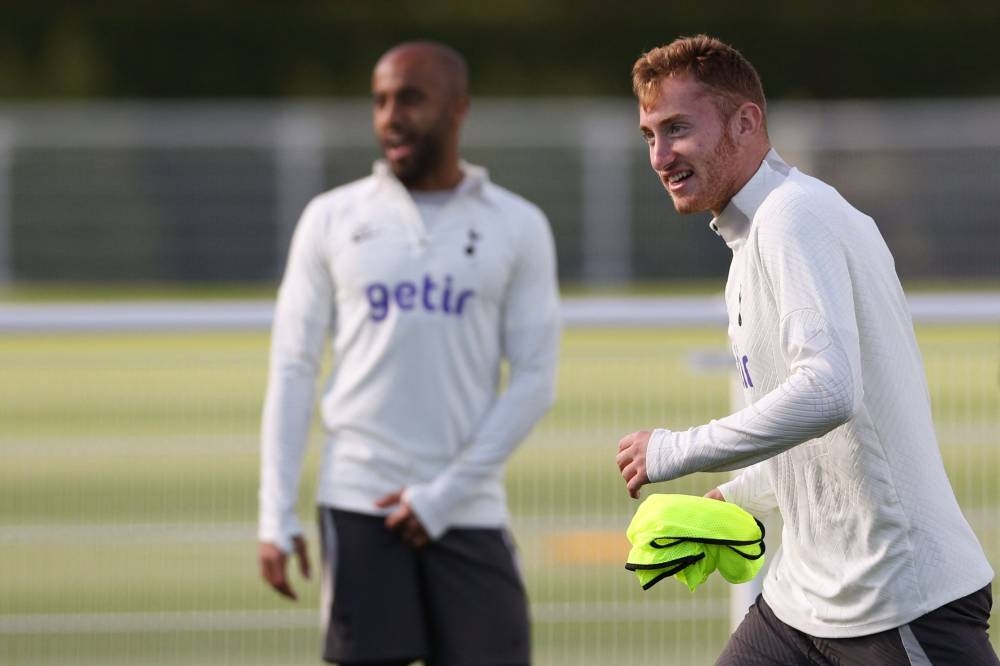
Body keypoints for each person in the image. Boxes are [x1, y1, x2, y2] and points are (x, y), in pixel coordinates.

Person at [615, 34, 998, 664]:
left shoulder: (794, 216)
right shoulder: (751, 237)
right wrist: (736, 497)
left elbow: (831, 390)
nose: (660, 155)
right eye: (649, 135)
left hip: (895, 604)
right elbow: (825, 432)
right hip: (800, 605)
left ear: (746, 122)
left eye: (677, 128)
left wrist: (676, 449)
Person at [257, 40, 560, 666]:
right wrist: (275, 510)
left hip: (467, 505)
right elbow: (292, 367)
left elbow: (535, 379)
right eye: (380, 100)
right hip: (357, 499)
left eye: (411, 99)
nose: (391, 116)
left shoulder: (518, 224)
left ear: (458, 109)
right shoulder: (330, 218)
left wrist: (443, 495)